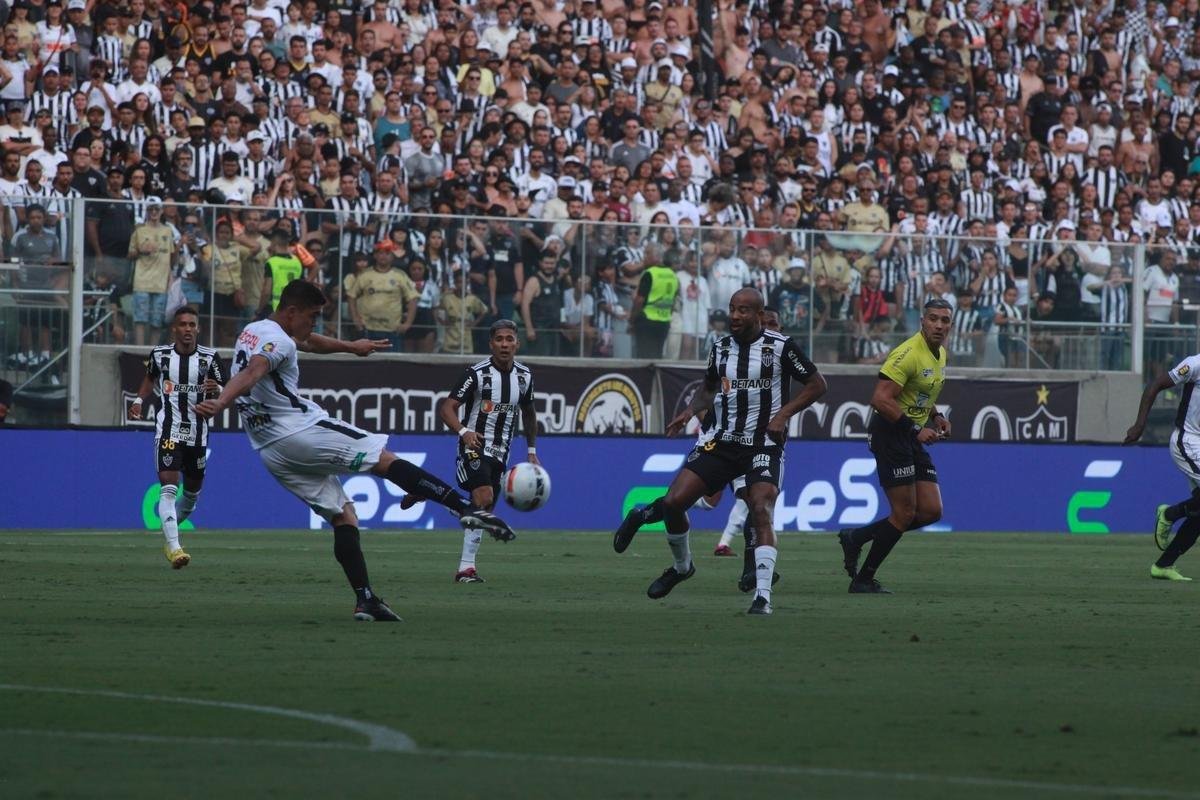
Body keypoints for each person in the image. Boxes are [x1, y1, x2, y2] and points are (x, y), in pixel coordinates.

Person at [196, 279, 514, 621]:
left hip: (270, 449)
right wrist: (222, 401)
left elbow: (304, 341)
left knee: (344, 517)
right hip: (301, 431)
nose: (314, 323)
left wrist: (351, 346)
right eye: (313, 315)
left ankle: (365, 600)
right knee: (384, 459)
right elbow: (254, 370)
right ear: (291, 311)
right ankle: (465, 508)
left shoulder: (256, 330)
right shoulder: (277, 341)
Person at [612, 288, 827, 615]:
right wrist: (689, 411)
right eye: (732, 309)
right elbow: (709, 388)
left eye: (743, 311)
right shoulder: (720, 347)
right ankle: (683, 567)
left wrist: (782, 415)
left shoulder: (780, 347)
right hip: (723, 442)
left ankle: (762, 597)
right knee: (673, 502)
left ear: (758, 315)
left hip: (762, 444)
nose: (735, 316)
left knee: (760, 506)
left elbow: (817, 384)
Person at [837, 298, 953, 594]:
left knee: (930, 511)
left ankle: (857, 536)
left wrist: (936, 416)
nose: (939, 325)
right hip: (891, 433)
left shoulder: (939, 354)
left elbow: (920, 393)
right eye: (934, 319)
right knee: (903, 513)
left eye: (945, 320)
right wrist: (916, 430)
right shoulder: (908, 353)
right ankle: (863, 579)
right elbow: (879, 399)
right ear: (922, 322)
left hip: (910, 433)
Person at [438, 320, 538, 583]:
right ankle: (464, 513)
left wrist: (531, 450)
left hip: (501, 452)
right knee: (484, 497)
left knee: (483, 511)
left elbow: (528, 413)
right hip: (474, 446)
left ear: (517, 343)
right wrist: (464, 432)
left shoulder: (524, 377)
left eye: (509, 339)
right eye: (499, 340)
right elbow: (447, 408)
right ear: (491, 343)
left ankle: (465, 569)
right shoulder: (476, 374)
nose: (504, 344)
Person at [127, 306, 226, 568]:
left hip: (198, 435)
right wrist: (138, 399)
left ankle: (169, 531)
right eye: (183, 324)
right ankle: (174, 547)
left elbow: (226, 389)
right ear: (174, 328)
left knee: (191, 495)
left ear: (198, 328)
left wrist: (218, 389)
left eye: (192, 325)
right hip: (168, 431)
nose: (188, 330)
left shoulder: (210, 358)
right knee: (169, 488)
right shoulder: (160, 355)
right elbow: (150, 378)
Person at [1124, 352, 1200, 581]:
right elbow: (1155, 385)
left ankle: (1163, 565)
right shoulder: (1195, 363)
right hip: (1188, 441)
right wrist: (1139, 424)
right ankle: (1170, 513)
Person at [126, 195, 175, 345]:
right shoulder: (139, 231)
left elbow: (172, 255)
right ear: (147, 211)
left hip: (160, 283)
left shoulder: (168, 231)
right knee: (140, 318)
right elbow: (129, 254)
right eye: (151, 209)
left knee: (157, 321)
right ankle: (140, 350)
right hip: (142, 281)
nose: (154, 212)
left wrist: (170, 276)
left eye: (157, 209)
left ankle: (154, 351)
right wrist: (141, 250)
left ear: (161, 211)